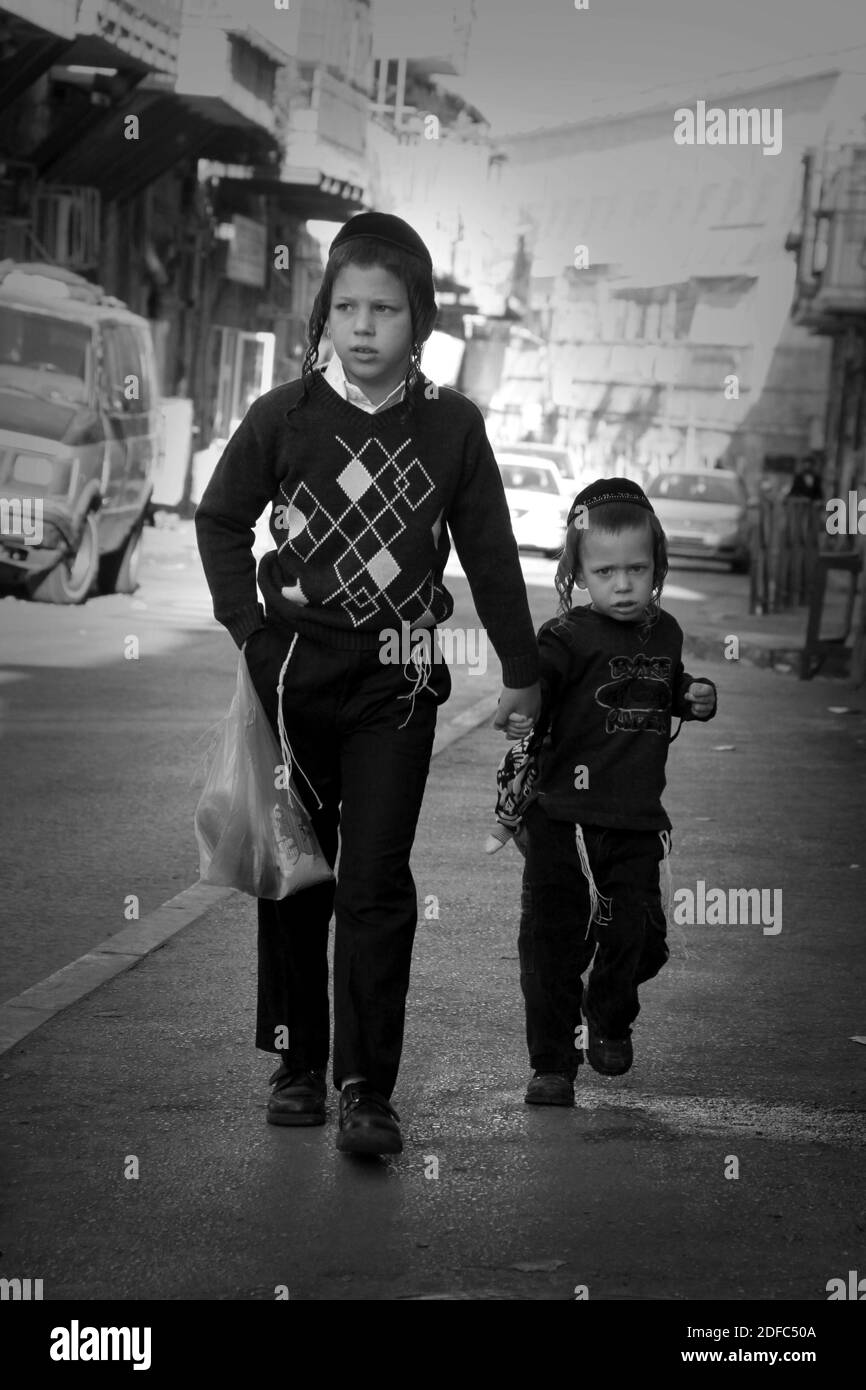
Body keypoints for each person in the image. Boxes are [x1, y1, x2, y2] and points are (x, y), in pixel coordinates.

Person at [195, 212, 540, 1155]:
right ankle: (297, 1065)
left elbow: (491, 551)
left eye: (384, 309)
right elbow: (221, 520)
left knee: (377, 883)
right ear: (323, 315)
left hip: (396, 692)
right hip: (294, 684)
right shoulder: (284, 417)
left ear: (417, 322)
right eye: (345, 305)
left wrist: (523, 669)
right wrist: (255, 637)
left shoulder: (453, 428)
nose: (362, 324)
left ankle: (366, 1090)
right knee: (297, 876)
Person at [500, 478, 717, 1107]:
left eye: (637, 568)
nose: (623, 584)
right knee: (552, 943)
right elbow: (535, 684)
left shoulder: (666, 631)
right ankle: (551, 1065)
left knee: (640, 938)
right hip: (561, 818)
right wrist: (521, 700)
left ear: (657, 567)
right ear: (577, 572)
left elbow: (666, 687)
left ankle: (610, 1014)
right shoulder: (564, 637)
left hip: (635, 818)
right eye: (605, 571)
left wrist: (693, 695)